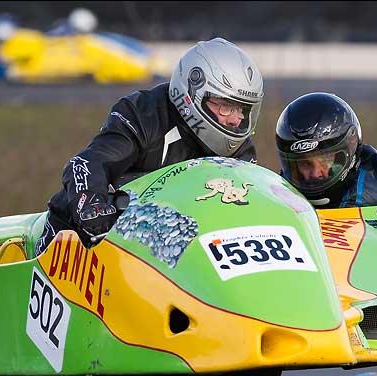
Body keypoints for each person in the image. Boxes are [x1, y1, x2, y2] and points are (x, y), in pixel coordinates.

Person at [35, 37, 263, 255]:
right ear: (192, 93)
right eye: (226, 106)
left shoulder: (239, 147)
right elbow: (86, 164)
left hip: (174, 249)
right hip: (82, 244)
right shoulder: (144, 115)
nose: (235, 120)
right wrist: (93, 207)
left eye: (242, 109)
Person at [275, 92, 377, 208]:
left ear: (350, 149)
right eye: (305, 164)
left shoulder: (371, 192)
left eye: (325, 160)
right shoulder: (280, 189)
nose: (316, 173)